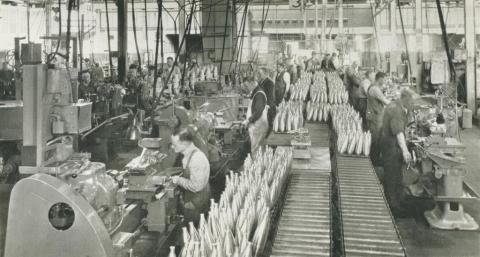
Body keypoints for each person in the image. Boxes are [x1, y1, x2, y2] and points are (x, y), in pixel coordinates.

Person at [380, 88, 416, 216]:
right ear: (405, 99)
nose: (413, 104)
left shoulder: (399, 106)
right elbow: (398, 132)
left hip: (393, 142)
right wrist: (405, 151)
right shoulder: (395, 109)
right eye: (412, 101)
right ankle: (393, 206)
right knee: (392, 174)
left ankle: (399, 199)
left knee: (397, 174)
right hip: (390, 144)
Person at [242, 67, 274, 156]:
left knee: (256, 151)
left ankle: (258, 168)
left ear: (252, 83)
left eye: (246, 85)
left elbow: (258, 111)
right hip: (257, 125)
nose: (246, 88)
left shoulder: (259, 94)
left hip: (259, 126)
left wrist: (249, 120)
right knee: (259, 150)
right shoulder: (256, 91)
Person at [366, 72, 390, 165]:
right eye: (384, 79)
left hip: (374, 115)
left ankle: (374, 158)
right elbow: (385, 101)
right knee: (375, 138)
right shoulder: (375, 89)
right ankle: (374, 160)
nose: (385, 81)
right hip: (374, 116)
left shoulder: (374, 86)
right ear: (380, 79)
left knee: (377, 137)